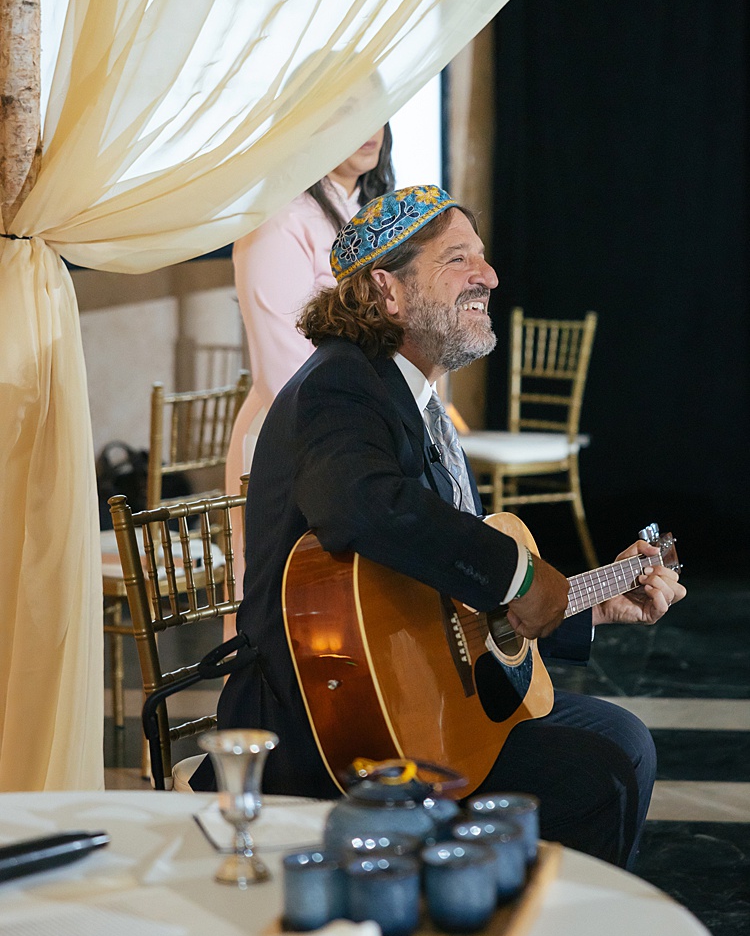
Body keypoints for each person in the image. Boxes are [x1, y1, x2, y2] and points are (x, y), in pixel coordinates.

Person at [194, 184, 684, 870]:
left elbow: (445, 588)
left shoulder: (415, 401)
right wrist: (517, 572)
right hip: (325, 730)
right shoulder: (340, 387)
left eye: (482, 258)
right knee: (604, 763)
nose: (489, 275)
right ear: (386, 291)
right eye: (460, 259)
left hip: (407, 701)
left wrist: (592, 600)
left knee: (621, 738)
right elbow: (361, 502)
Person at [225, 125, 394, 499]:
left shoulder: (382, 212)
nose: (369, 124)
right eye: (347, 110)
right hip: (300, 427)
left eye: (378, 107)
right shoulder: (278, 218)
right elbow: (284, 368)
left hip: (376, 423)